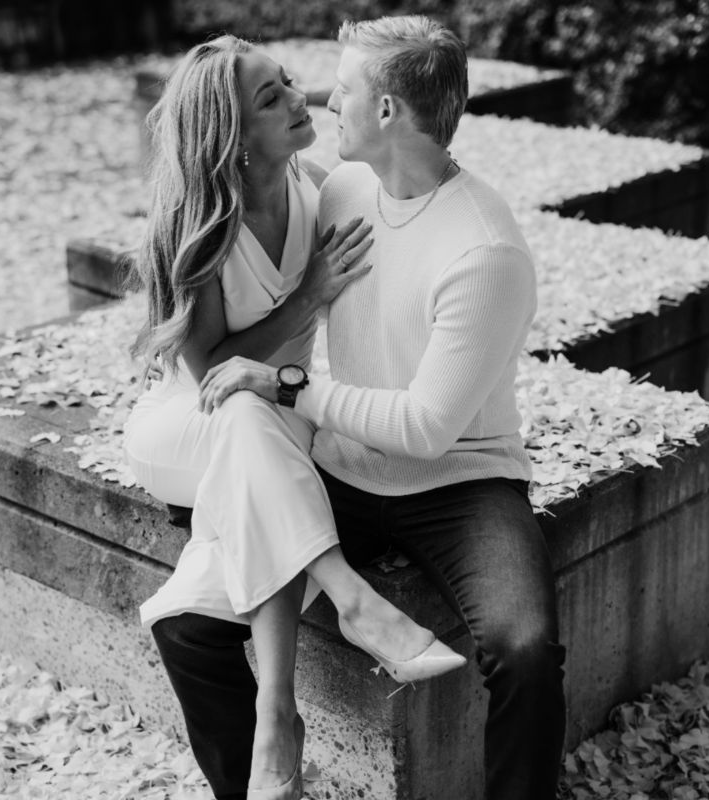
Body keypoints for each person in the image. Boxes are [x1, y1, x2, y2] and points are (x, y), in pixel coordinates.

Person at [197, 16, 567, 800]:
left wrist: (287, 387)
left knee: (526, 648)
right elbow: (245, 200)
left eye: (345, 89)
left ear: (389, 110)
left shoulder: (485, 250)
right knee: (189, 625)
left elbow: (427, 429)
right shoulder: (341, 189)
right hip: (340, 469)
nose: (326, 101)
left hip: (462, 483)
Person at [123, 34, 466, 800]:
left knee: (263, 423)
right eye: (270, 97)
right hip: (186, 425)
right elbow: (211, 373)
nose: (298, 99)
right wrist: (307, 296)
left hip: (277, 415)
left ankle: (277, 716)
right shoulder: (196, 223)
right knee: (247, 406)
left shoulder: (321, 188)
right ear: (234, 134)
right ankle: (349, 594)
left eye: (287, 81)